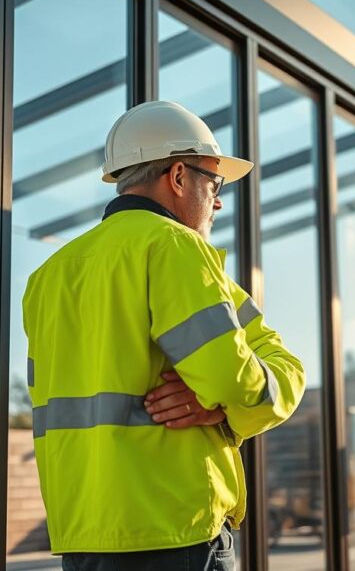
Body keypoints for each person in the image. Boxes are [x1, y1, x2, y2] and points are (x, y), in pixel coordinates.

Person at [22, 100, 306, 571]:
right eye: (213, 184)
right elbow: (239, 383)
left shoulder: (48, 276)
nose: (217, 201)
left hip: (84, 534)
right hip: (175, 527)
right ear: (177, 177)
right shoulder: (176, 248)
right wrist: (222, 408)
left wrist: (213, 396)